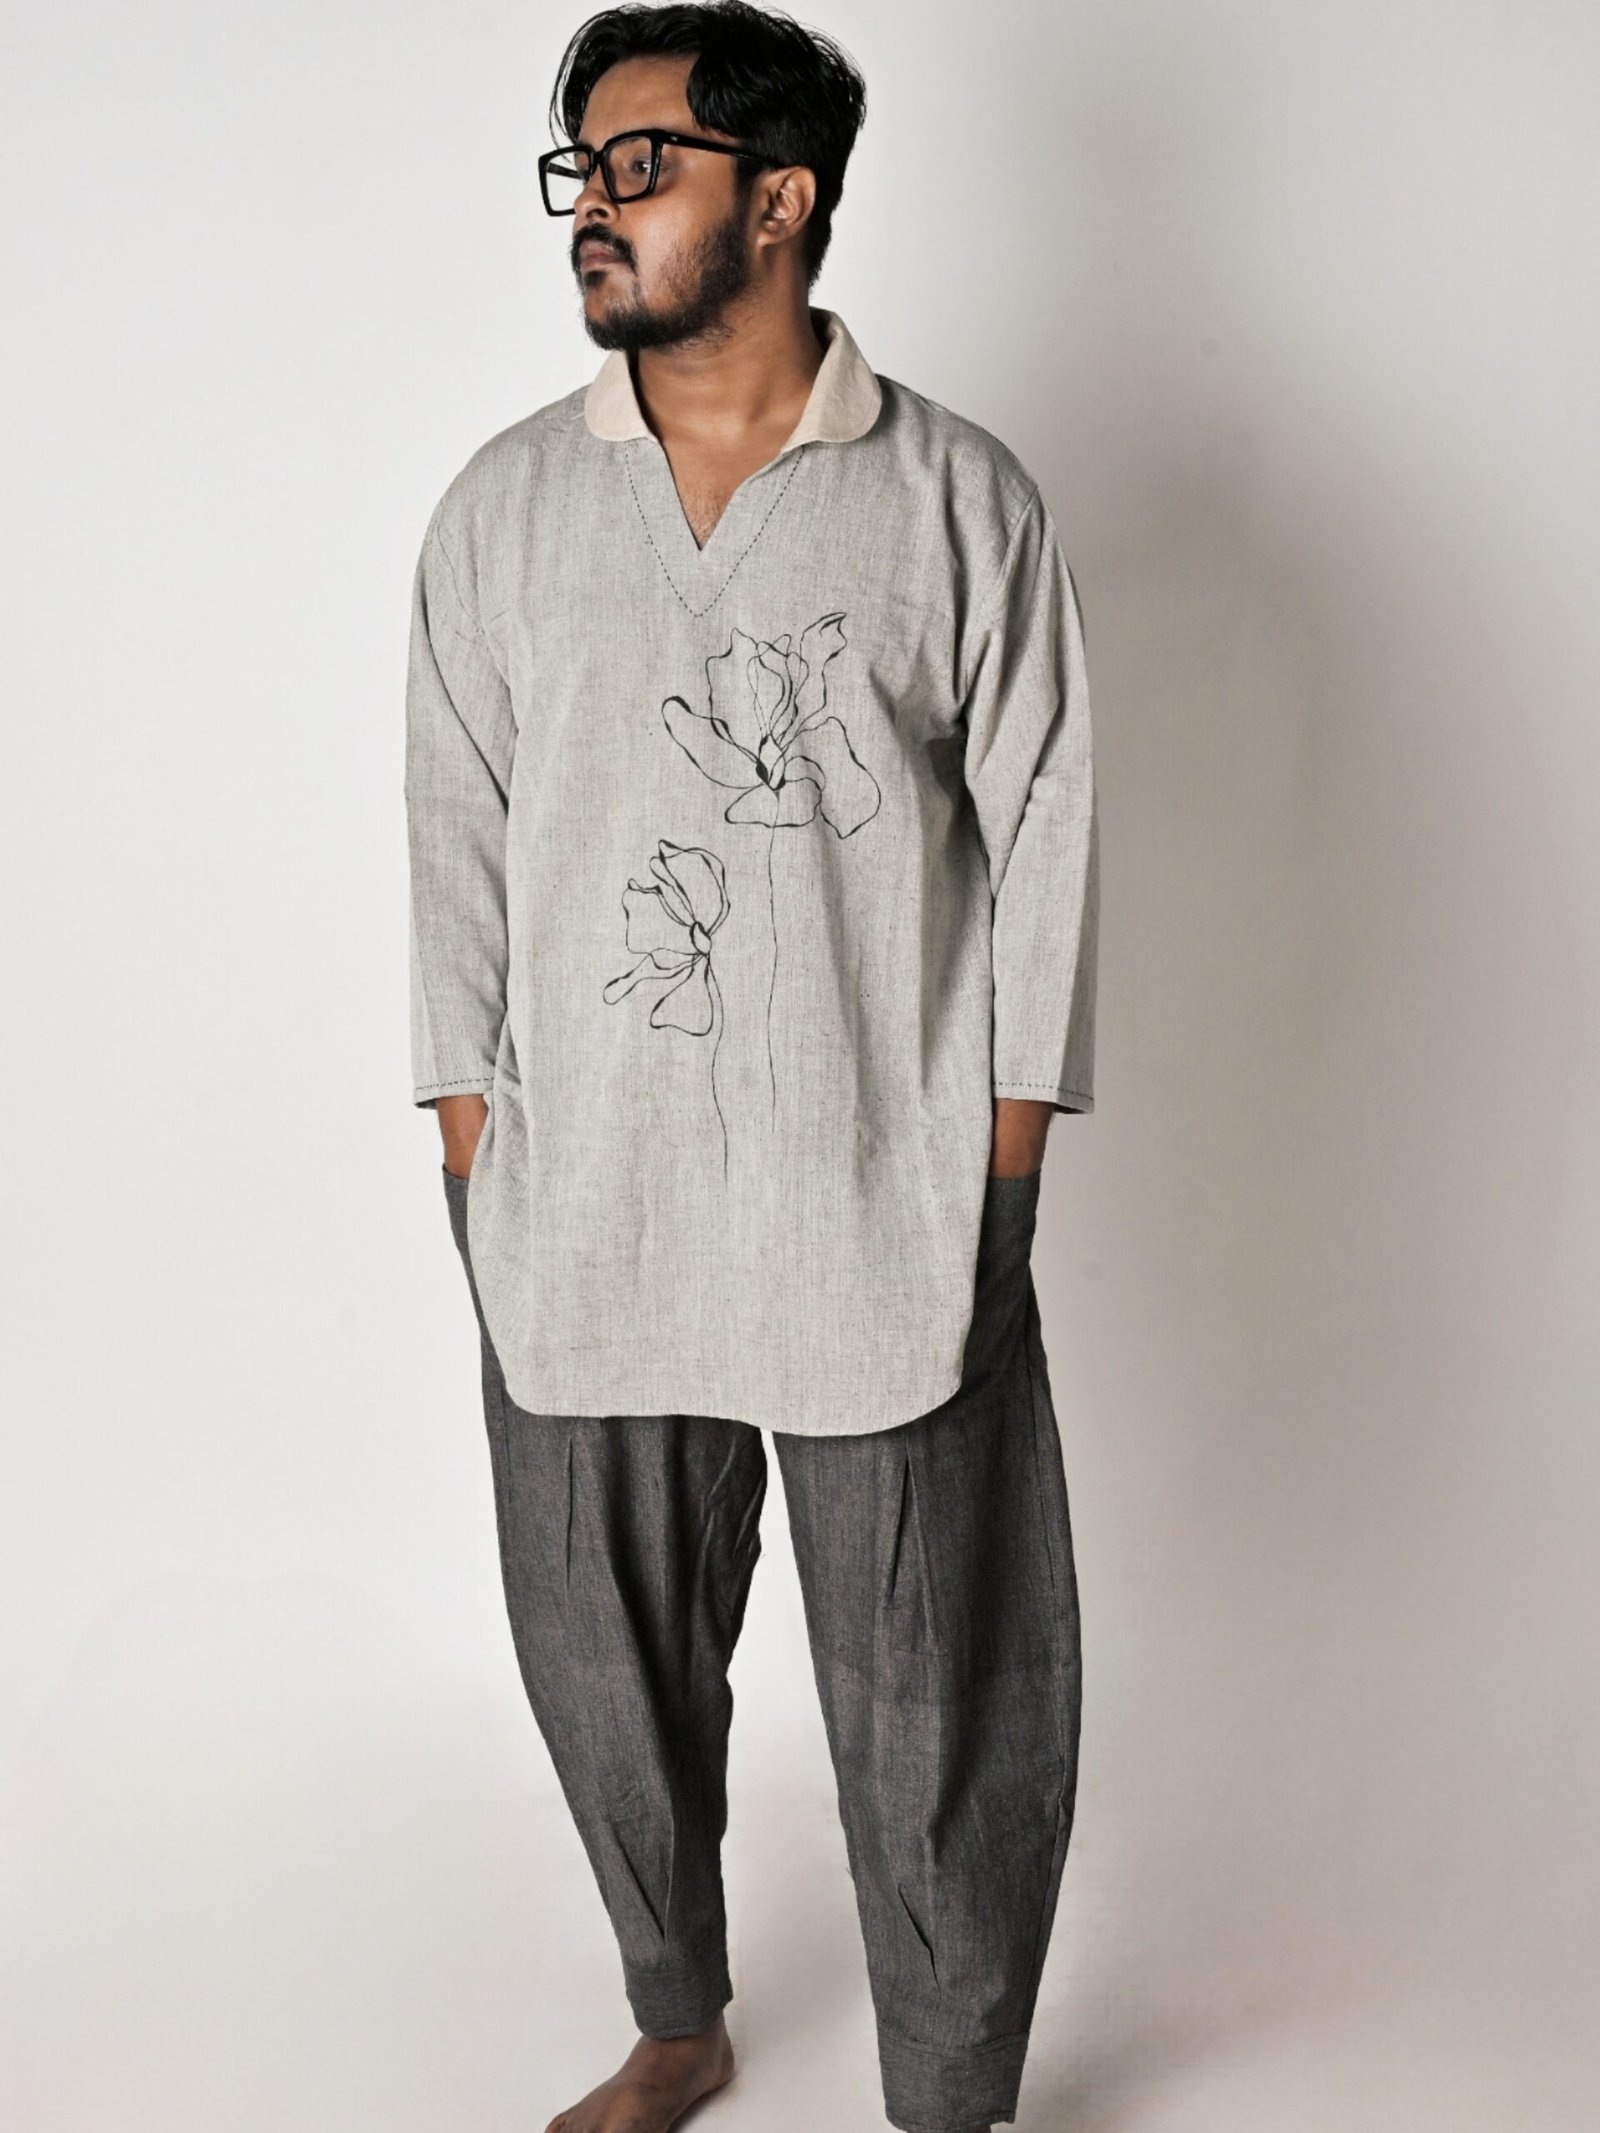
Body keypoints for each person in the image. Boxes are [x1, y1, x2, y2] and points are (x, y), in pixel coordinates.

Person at [403, 5, 1099, 2128]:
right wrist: (471, 1135)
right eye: (579, 172)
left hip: (882, 1179)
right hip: (583, 1186)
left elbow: (1047, 827)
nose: (589, 210)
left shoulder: (953, 497)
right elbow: (452, 840)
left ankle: (951, 2085)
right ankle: (677, 2012)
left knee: (937, 1674)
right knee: (599, 1649)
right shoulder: (505, 510)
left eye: (641, 167)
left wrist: (999, 1163)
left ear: (779, 198)